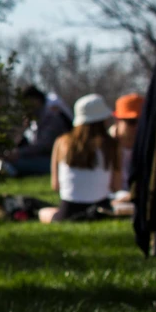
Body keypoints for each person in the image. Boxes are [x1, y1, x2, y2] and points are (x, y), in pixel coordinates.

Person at [39, 94, 120, 223]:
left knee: (43, 211)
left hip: (69, 210)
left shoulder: (61, 142)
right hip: (102, 210)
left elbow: (55, 185)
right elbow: (116, 186)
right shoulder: (111, 145)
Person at [0, 86, 71, 178]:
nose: (25, 107)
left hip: (53, 161)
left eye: (27, 103)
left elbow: (44, 146)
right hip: (41, 158)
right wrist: (24, 128)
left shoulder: (51, 117)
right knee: (8, 162)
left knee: (16, 163)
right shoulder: (35, 119)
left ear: (36, 100)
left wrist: (19, 153)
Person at [111, 93, 142, 181]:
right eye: (132, 122)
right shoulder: (105, 146)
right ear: (117, 120)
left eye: (141, 122)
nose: (137, 127)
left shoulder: (150, 146)